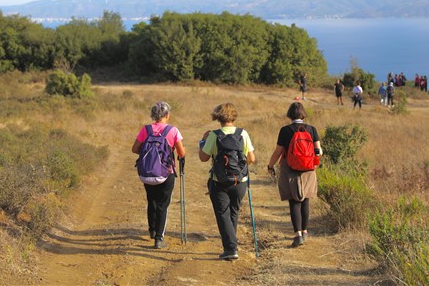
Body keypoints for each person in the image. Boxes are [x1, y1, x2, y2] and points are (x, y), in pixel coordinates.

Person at [199, 103, 256, 260]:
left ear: (218, 116)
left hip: (219, 181)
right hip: (240, 181)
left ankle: (231, 248)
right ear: (234, 116)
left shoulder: (214, 135)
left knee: (222, 214)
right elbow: (251, 159)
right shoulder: (242, 133)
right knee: (233, 212)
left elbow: (203, 158)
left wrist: (202, 142)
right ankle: (231, 244)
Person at [267, 102, 322, 248]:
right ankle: (304, 231)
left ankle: (297, 235)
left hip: (289, 167)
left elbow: (278, 151)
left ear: (290, 114)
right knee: (305, 200)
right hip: (309, 168)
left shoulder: (285, 130)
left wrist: (270, 165)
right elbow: (319, 151)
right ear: (303, 114)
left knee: (294, 201)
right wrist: (314, 163)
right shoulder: (312, 129)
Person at [132, 102, 186, 249]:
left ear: (153, 115)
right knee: (163, 204)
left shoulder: (146, 129)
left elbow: (135, 149)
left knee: (152, 200)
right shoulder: (172, 130)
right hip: (166, 173)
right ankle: (159, 239)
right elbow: (181, 153)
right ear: (167, 115)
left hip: (147, 173)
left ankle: (152, 230)